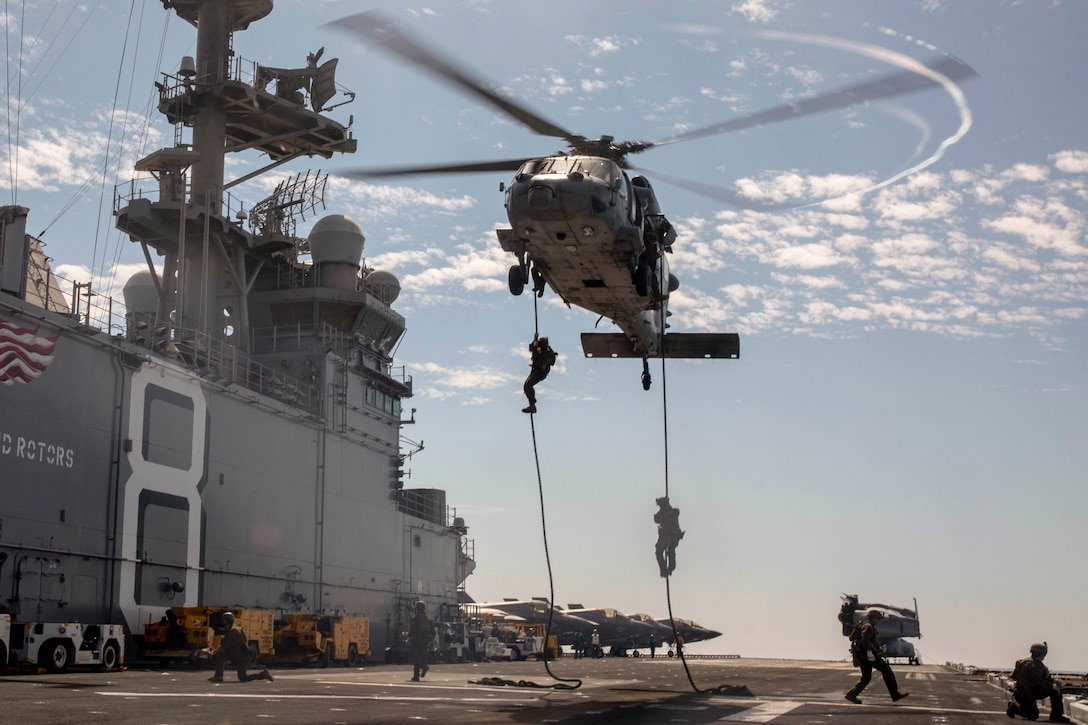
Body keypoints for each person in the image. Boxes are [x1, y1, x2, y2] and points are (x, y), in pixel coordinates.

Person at [845, 610, 907, 704]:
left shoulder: (865, 626)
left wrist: (879, 650)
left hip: (863, 656)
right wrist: (869, 652)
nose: (879, 621)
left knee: (866, 677)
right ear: (873, 619)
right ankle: (894, 694)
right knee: (887, 670)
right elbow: (865, 640)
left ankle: (852, 695)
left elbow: (866, 641)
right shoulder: (868, 627)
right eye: (878, 619)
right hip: (868, 656)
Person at [1008, 642, 1070, 722]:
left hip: (1023, 693)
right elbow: (1036, 683)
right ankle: (1015, 708)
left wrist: (1053, 681)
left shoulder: (1025, 662)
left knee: (1032, 715)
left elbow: (1014, 676)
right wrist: (1052, 685)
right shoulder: (1033, 665)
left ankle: (1017, 708)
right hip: (1028, 693)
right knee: (1033, 715)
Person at [207, 612, 272, 683]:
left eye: (224, 620)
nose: (223, 622)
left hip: (241, 656)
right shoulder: (232, 630)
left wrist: (213, 652)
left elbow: (225, 646)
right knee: (242, 677)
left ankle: (263, 675)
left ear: (228, 621)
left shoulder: (234, 631)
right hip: (238, 655)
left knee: (242, 677)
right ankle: (218, 676)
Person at [522, 334, 557, 414]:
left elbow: (547, 362)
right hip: (537, 370)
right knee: (527, 386)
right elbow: (532, 348)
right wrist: (534, 339)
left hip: (540, 372)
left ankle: (532, 405)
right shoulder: (539, 349)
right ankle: (532, 404)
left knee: (528, 385)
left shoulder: (547, 352)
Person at [653, 497, 684, 577]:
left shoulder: (665, 514)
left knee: (659, 551)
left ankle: (664, 570)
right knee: (671, 551)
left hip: (667, 537)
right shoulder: (673, 512)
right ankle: (670, 568)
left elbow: (657, 519)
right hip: (675, 536)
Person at [408, 600, 434, 681]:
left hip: (417, 639)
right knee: (423, 655)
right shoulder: (428, 619)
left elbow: (412, 629)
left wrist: (409, 636)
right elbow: (433, 631)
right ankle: (424, 666)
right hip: (426, 640)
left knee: (416, 657)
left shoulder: (415, 618)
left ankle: (416, 675)